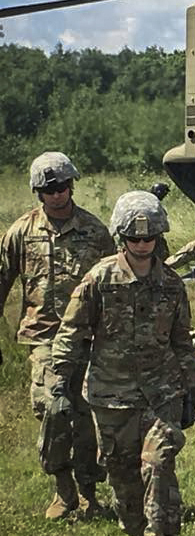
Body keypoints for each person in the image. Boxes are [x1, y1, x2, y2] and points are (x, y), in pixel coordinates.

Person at [50, 191, 195, 536]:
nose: (143, 244)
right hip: (111, 396)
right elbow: (72, 332)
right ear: (122, 237)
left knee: (159, 466)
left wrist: (191, 387)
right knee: (124, 478)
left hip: (161, 394)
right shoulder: (99, 280)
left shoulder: (172, 285)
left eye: (150, 237)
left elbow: (181, 339)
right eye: (135, 238)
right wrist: (59, 381)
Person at [0, 152, 114, 519]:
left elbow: (115, 286)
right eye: (50, 189)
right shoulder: (20, 232)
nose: (58, 195)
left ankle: (89, 493)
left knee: (85, 417)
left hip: (90, 339)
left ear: (73, 186)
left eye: (63, 187)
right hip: (44, 337)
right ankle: (62, 491)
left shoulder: (95, 232)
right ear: (38, 192)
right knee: (53, 409)